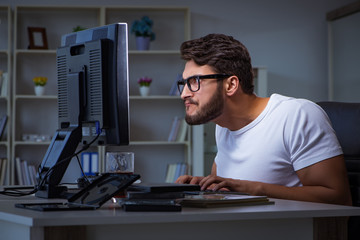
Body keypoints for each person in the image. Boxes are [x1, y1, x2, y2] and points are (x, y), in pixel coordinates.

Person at [175, 33, 352, 206]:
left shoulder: (296, 115)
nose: (184, 94)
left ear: (230, 85)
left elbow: (339, 198)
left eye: (195, 81)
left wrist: (253, 189)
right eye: (184, 83)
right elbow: (224, 186)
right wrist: (203, 187)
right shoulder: (223, 126)